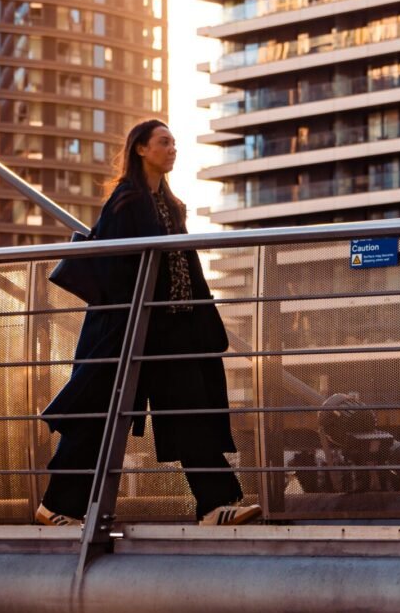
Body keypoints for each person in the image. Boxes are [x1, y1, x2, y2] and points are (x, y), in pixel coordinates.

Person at [36, 119, 262, 528]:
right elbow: (114, 271)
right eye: (164, 142)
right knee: (97, 418)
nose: (172, 148)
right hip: (128, 333)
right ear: (141, 149)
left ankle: (216, 506)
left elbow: (186, 267)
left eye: (174, 142)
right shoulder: (125, 202)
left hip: (170, 331)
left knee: (193, 412)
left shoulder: (171, 206)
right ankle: (56, 506)